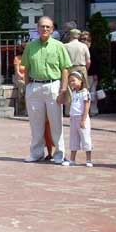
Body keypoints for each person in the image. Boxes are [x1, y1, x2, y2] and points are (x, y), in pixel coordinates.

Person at [20, 16, 71, 164]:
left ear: (52, 29)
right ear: (37, 28)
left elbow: (65, 69)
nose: (45, 29)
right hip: (35, 86)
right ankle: (36, 153)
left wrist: (63, 90)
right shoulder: (30, 46)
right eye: (42, 26)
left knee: (56, 123)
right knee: (36, 123)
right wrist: (28, 87)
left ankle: (59, 154)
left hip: (53, 85)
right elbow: (26, 68)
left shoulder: (59, 46)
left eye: (48, 26)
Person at [63, 69, 93, 168]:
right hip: (74, 118)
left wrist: (83, 120)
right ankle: (72, 159)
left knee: (85, 138)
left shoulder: (85, 92)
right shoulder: (74, 92)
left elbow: (86, 106)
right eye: (70, 81)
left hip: (82, 118)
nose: (72, 83)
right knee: (73, 139)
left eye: (73, 80)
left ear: (80, 80)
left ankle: (88, 159)